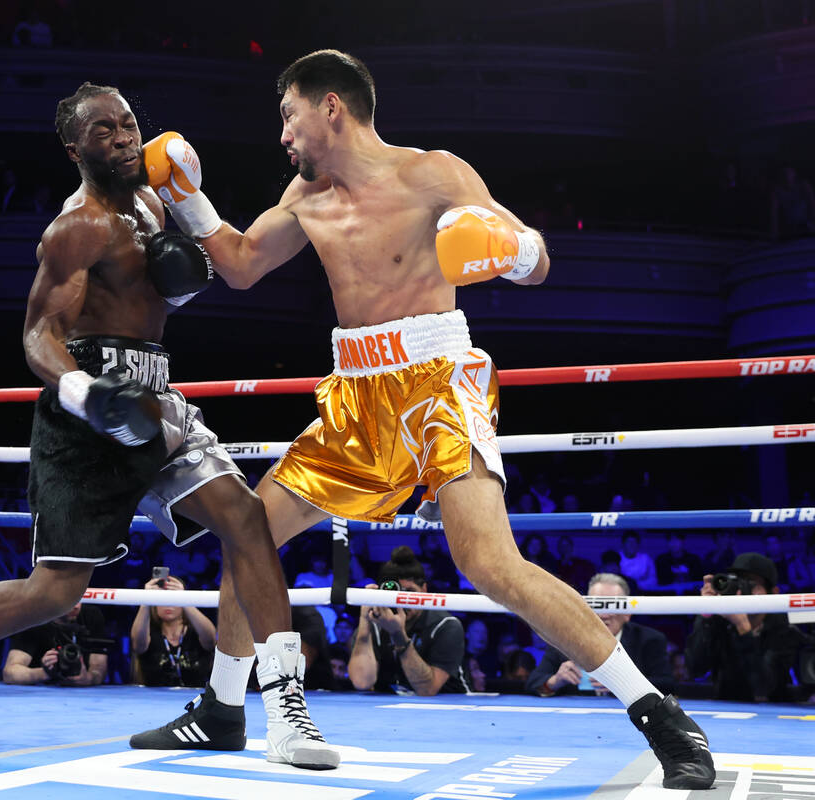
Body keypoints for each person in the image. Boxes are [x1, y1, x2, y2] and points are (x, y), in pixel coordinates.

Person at [135, 49, 714, 789]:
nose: (281, 133)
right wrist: (189, 197)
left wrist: (509, 249)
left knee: (488, 562)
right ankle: (222, 707)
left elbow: (536, 260)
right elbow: (242, 263)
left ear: (331, 107)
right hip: (355, 393)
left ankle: (659, 713)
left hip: (437, 380)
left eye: (289, 114)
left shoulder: (433, 173)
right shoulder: (305, 192)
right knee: (248, 530)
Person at [0, 82, 336, 770]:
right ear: (74, 147)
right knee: (56, 591)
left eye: (129, 123)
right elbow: (38, 334)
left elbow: (184, 283)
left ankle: (285, 709)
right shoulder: (76, 226)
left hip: (155, 396)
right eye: (104, 130)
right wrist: (85, 391)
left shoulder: (154, 199)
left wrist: (192, 214)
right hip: (87, 408)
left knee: (246, 518)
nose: (124, 137)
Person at [685, 552, 807, 702]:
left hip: (773, 714)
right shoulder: (721, 620)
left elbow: (763, 687)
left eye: (752, 584)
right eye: (738, 581)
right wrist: (705, 616)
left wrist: (743, 628)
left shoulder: (784, 629)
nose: (742, 590)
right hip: (725, 710)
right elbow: (695, 669)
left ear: (773, 592)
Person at [347, 546, 467, 695]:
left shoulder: (446, 625)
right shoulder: (375, 622)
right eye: (395, 593)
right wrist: (365, 621)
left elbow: (427, 689)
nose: (402, 601)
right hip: (392, 712)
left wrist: (398, 634)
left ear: (424, 589)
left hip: (448, 709)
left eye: (409, 593)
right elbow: (362, 682)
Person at [527, 573, 672, 697]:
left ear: (627, 613)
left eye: (612, 606)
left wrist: (624, 686)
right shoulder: (565, 638)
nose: (604, 615)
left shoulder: (649, 640)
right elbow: (533, 683)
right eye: (598, 606)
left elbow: (668, 686)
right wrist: (555, 681)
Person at [130, 574, 216, 687]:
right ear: (155, 605)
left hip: (194, 699)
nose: (168, 603)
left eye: (173, 597)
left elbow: (211, 640)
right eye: (163, 598)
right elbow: (138, 645)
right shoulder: (147, 632)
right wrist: (146, 600)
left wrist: (183, 597)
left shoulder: (196, 631)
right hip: (153, 700)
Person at [3, 601, 109, 686]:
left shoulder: (91, 615)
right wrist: (45, 673)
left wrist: (88, 678)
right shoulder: (34, 618)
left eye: (79, 598)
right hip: (40, 696)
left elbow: (98, 669)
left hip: (84, 697)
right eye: (71, 599)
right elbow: (10, 673)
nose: (76, 606)